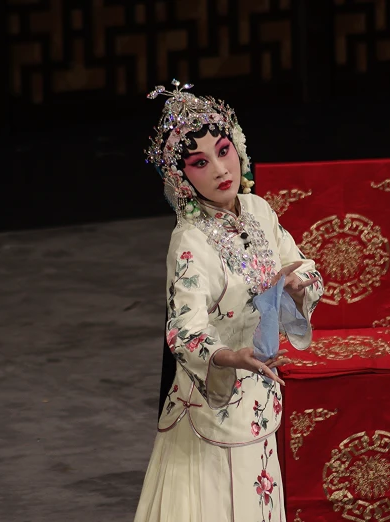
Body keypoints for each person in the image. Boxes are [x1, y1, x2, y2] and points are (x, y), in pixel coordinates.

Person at [135, 80, 324, 522]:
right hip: (211, 405)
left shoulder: (258, 211)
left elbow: (301, 266)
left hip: (258, 398)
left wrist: (298, 288)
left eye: (224, 150)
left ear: (238, 146)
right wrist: (228, 355)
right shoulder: (190, 241)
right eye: (201, 162)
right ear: (182, 179)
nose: (221, 169)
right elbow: (183, 332)